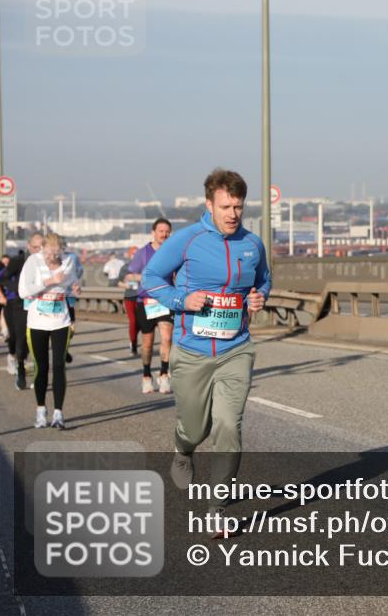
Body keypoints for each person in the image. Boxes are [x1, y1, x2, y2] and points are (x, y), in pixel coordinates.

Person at [142, 169, 270, 527]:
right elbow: (151, 278)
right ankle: (183, 450)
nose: (233, 214)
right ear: (209, 204)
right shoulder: (186, 240)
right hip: (193, 350)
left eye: (239, 207)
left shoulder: (252, 244)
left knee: (229, 426)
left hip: (236, 349)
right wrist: (182, 299)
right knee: (196, 429)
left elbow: (264, 280)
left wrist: (259, 298)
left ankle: (217, 510)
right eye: (226, 206)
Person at [18, 233, 80, 429]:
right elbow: (23, 291)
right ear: (42, 249)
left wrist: (76, 289)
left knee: (59, 365)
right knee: (41, 367)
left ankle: (58, 414)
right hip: (38, 322)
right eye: (48, 253)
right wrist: (49, 281)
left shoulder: (69, 261)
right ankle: (41, 410)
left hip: (60, 320)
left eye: (56, 253)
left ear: (61, 250)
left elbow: (72, 284)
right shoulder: (33, 262)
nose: (51, 257)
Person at [127, 218, 174, 394]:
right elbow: (130, 276)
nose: (164, 234)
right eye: (161, 231)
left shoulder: (172, 252)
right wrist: (146, 279)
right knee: (147, 343)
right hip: (145, 302)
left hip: (165, 301)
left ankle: (164, 375)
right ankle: (146, 376)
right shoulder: (142, 253)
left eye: (167, 231)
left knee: (167, 337)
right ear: (153, 233)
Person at [1, 233, 44, 390]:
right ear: (28, 245)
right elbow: (2, 278)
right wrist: (18, 290)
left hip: (40, 305)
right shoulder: (19, 260)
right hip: (20, 305)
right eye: (35, 247)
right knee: (20, 339)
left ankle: (38, 374)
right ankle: (20, 368)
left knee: (38, 339)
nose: (38, 250)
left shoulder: (47, 261)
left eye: (41, 247)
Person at [120, 246, 139, 356]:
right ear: (129, 255)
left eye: (137, 254)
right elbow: (118, 282)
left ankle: (134, 339)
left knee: (140, 323)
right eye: (133, 254)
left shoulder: (143, 267)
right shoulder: (125, 267)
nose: (135, 256)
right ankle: (133, 343)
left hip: (141, 297)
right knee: (133, 321)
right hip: (129, 297)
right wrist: (125, 285)